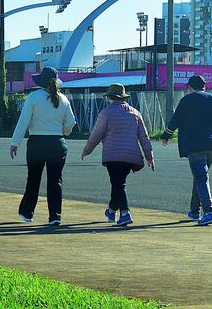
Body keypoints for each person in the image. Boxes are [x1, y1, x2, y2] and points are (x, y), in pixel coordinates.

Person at [160, 75, 212, 226]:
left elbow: (175, 120)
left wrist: (165, 136)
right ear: (204, 87)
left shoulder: (186, 100)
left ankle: (209, 212)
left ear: (190, 87)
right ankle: (194, 211)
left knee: (201, 177)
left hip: (195, 145)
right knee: (200, 176)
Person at [10, 67, 76, 226]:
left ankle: (27, 213)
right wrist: (63, 131)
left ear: (42, 81)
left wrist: (15, 142)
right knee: (55, 181)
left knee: (33, 179)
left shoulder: (33, 97)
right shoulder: (63, 99)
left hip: (37, 143)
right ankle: (55, 216)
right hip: (57, 143)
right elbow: (71, 123)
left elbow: (23, 122)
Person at [81, 83, 154, 226]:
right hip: (131, 156)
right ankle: (111, 210)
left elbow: (96, 135)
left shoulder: (106, 113)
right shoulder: (135, 113)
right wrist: (149, 156)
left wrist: (86, 151)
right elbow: (144, 137)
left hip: (112, 155)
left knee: (118, 184)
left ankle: (125, 213)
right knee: (118, 183)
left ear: (110, 97)